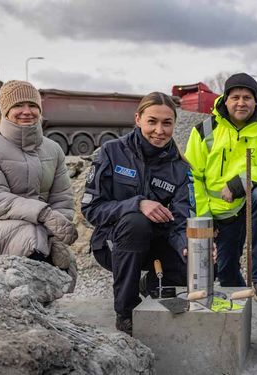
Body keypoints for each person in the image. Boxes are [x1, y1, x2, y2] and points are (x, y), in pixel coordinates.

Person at [81, 92, 194, 335]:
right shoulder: (111, 152)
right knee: (136, 222)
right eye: (152, 121)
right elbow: (91, 209)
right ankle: (126, 312)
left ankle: (152, 283)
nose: (159, 130)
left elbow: (180, 221)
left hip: (157, 246)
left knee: (192, 261)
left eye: (167, 123)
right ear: (138, 119)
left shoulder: (181, 169)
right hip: (114, 244)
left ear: (175, 123)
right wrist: (137, 204)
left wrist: (188, 245)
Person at [0, 80, 78, 290]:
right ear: (5, 110)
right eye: (17, 106)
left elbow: (62, 198)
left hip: (37, 226)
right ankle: (21, 299)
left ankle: (40, 304)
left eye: (32, 105)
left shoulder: (54, 149)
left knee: (64, 263)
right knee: (29, 237)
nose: (26, 111)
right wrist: (44, 215)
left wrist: (55, 234)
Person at [185, 73, 257, 302]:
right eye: (235, 97)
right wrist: (205, 221)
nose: (241, 103)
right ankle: (239, 301)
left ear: (256, 101)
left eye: (247, 97)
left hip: (255, 201)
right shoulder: (204, 131)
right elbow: (194, 179)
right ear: (225, 100)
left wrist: (241, 182)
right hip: (222, 208)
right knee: (225, 269)